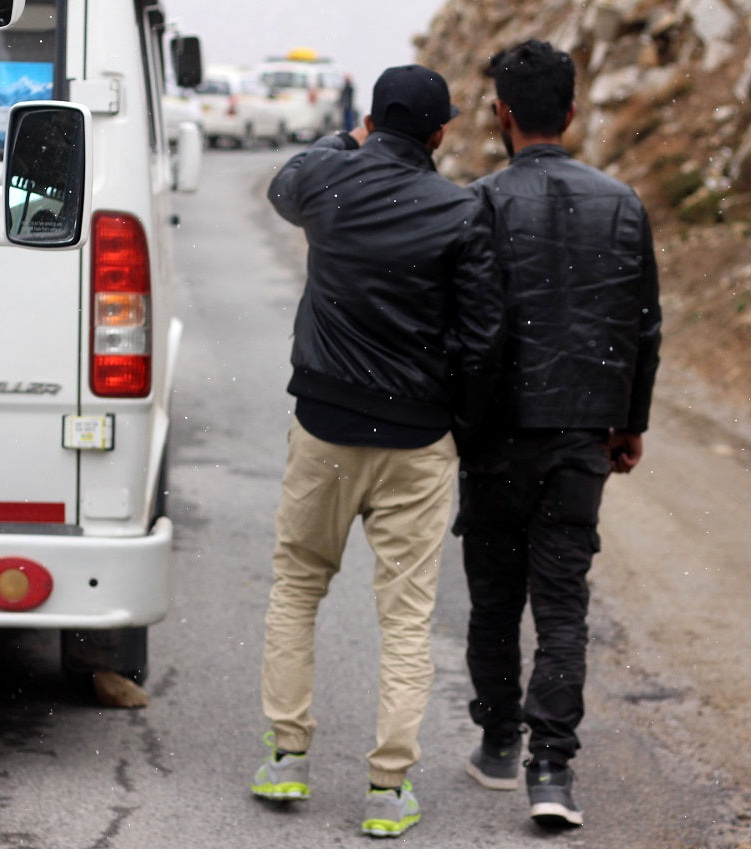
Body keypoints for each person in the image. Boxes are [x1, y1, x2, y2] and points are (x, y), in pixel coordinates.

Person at [252, 65, 504, 838]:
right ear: (440, 133)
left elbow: (282, 182)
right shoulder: (461, 212)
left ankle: (288, 758)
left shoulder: (330, 184)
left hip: (325, 424)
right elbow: (482, 338)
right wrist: (456, 424)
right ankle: (387, 788)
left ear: (369, 121)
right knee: (406, 616)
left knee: (298, 586)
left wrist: (346, 139)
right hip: (416, 440)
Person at [454, 39, 662, 829]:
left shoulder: (481, 200)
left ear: (502, 113)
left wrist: (464, 423)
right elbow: (645, 327)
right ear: (571, 111)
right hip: (583, 432)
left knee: (495, 596)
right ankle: (553, 769)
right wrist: (629, 422)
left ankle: (500, 741)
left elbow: (470, 331)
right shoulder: (623, 201)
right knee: (563, 600)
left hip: (501, 434)